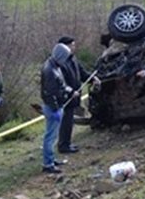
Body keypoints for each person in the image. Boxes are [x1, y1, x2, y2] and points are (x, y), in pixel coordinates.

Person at [56, 36, 101, 154]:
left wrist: (93, 79)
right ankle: (63, 146)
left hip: (75, 95)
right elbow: (60, 82)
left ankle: (67, 143)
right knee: (65, 121)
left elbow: (82, 73)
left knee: (69, 121)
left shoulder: (73, 59)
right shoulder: (60, 62)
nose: (74, 47)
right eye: (72, 45)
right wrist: (70, 91)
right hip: (66, 96)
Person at [40, 44, 75, 174]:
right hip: (52, 107)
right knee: (50, 136)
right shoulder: (49, 70)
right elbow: (50, 93)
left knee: (53, 136)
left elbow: (61, 85)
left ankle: (51, 159)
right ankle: (47, 164)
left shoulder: (55, 66)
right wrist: (55, 109)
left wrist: (70, 91)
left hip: (57, 105)